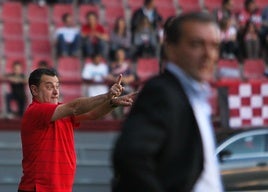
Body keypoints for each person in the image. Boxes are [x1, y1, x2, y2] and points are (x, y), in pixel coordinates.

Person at [112, 12, 224, 192]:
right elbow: (130, 158)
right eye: (197, 44)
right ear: (171, 49)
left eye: (214, 46)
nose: (208, 54)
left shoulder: (193, 96)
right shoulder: (161, 92)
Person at [18, 68, 136, 192]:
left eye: (57, 86)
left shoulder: (60, 111)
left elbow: (93, 114)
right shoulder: (36, 111)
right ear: (34, 90)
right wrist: (106, 96)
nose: (55, 92)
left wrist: (112, 104)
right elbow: (75, 107)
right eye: (49, 87)